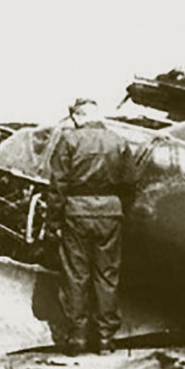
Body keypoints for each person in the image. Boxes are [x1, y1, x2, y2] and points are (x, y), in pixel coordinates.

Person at [48, 98, 134, 355]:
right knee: (107, 276)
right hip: (110, 212)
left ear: (76, 117)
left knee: (76, 276)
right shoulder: (118, 141)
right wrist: (118, 210)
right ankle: (106, 340)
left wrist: (53, 221)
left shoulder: (69, 140)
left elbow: (58, 185)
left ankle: (78, 339)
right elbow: (130, 183)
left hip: (76, 212)